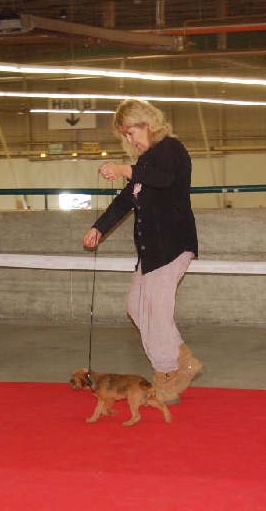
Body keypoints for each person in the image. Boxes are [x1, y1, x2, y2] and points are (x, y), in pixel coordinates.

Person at [83, 99, 202, 405]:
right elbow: (125, 201)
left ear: (147, 125)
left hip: (171, 246)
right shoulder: (145, 162)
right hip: (152, 251)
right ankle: (184, 359)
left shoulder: (171, 151)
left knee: (157, 314)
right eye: (125, 135)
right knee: (137, 307)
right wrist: (99, 227)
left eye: (131, 132)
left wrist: (123, 168)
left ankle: (166, 376)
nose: (129, 140)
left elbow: (165, 180)